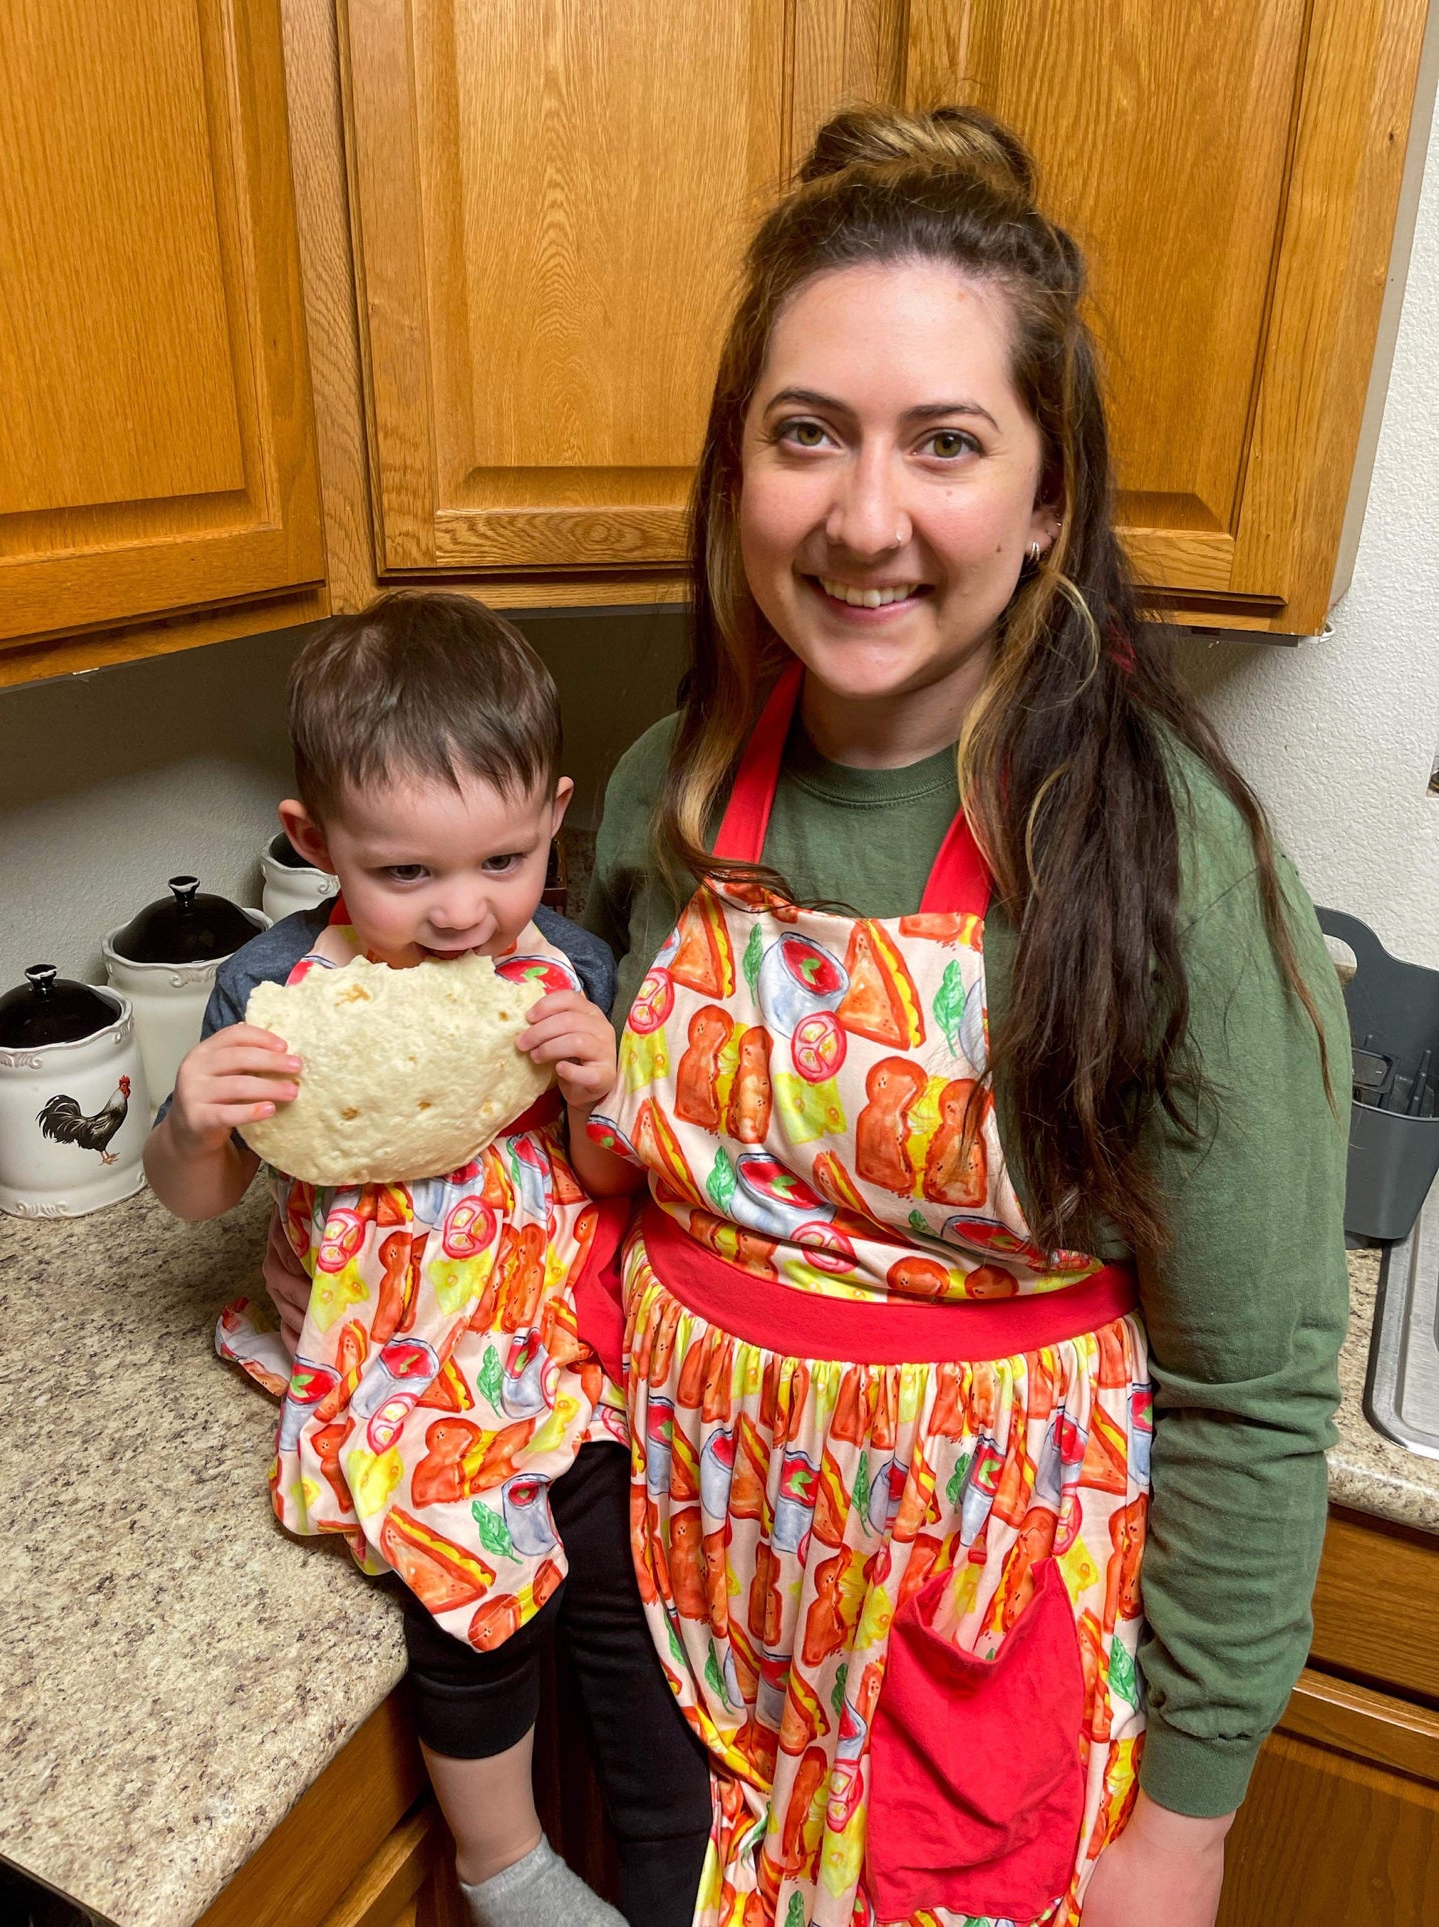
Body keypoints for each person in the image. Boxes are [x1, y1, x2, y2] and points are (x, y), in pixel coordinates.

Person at [567, 105, 1349, 1927]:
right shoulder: (658, 798)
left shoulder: (1167, 864)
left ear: (1048, 497)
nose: (863, 521)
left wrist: (1188, 1827)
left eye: (945, 445)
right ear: (735, 474)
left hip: (973, 1676)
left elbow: (1248, 1390)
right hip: (677, 1633)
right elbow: (593, 1145)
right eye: (804, 436)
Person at [144, 593, 712, 1927]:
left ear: (556, 820)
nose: (465, 913)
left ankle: (673, 1853)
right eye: (405, 875)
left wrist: (597, 1095)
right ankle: (503, 1865)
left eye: (505, 861)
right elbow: (194, 1196)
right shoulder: (271, 993)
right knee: (469, 1614)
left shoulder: (565, 964)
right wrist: (188, 1120)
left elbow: (602, 1181)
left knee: (633, 1607)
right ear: (314, 841)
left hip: (548, 1347)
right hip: (394, 1365)